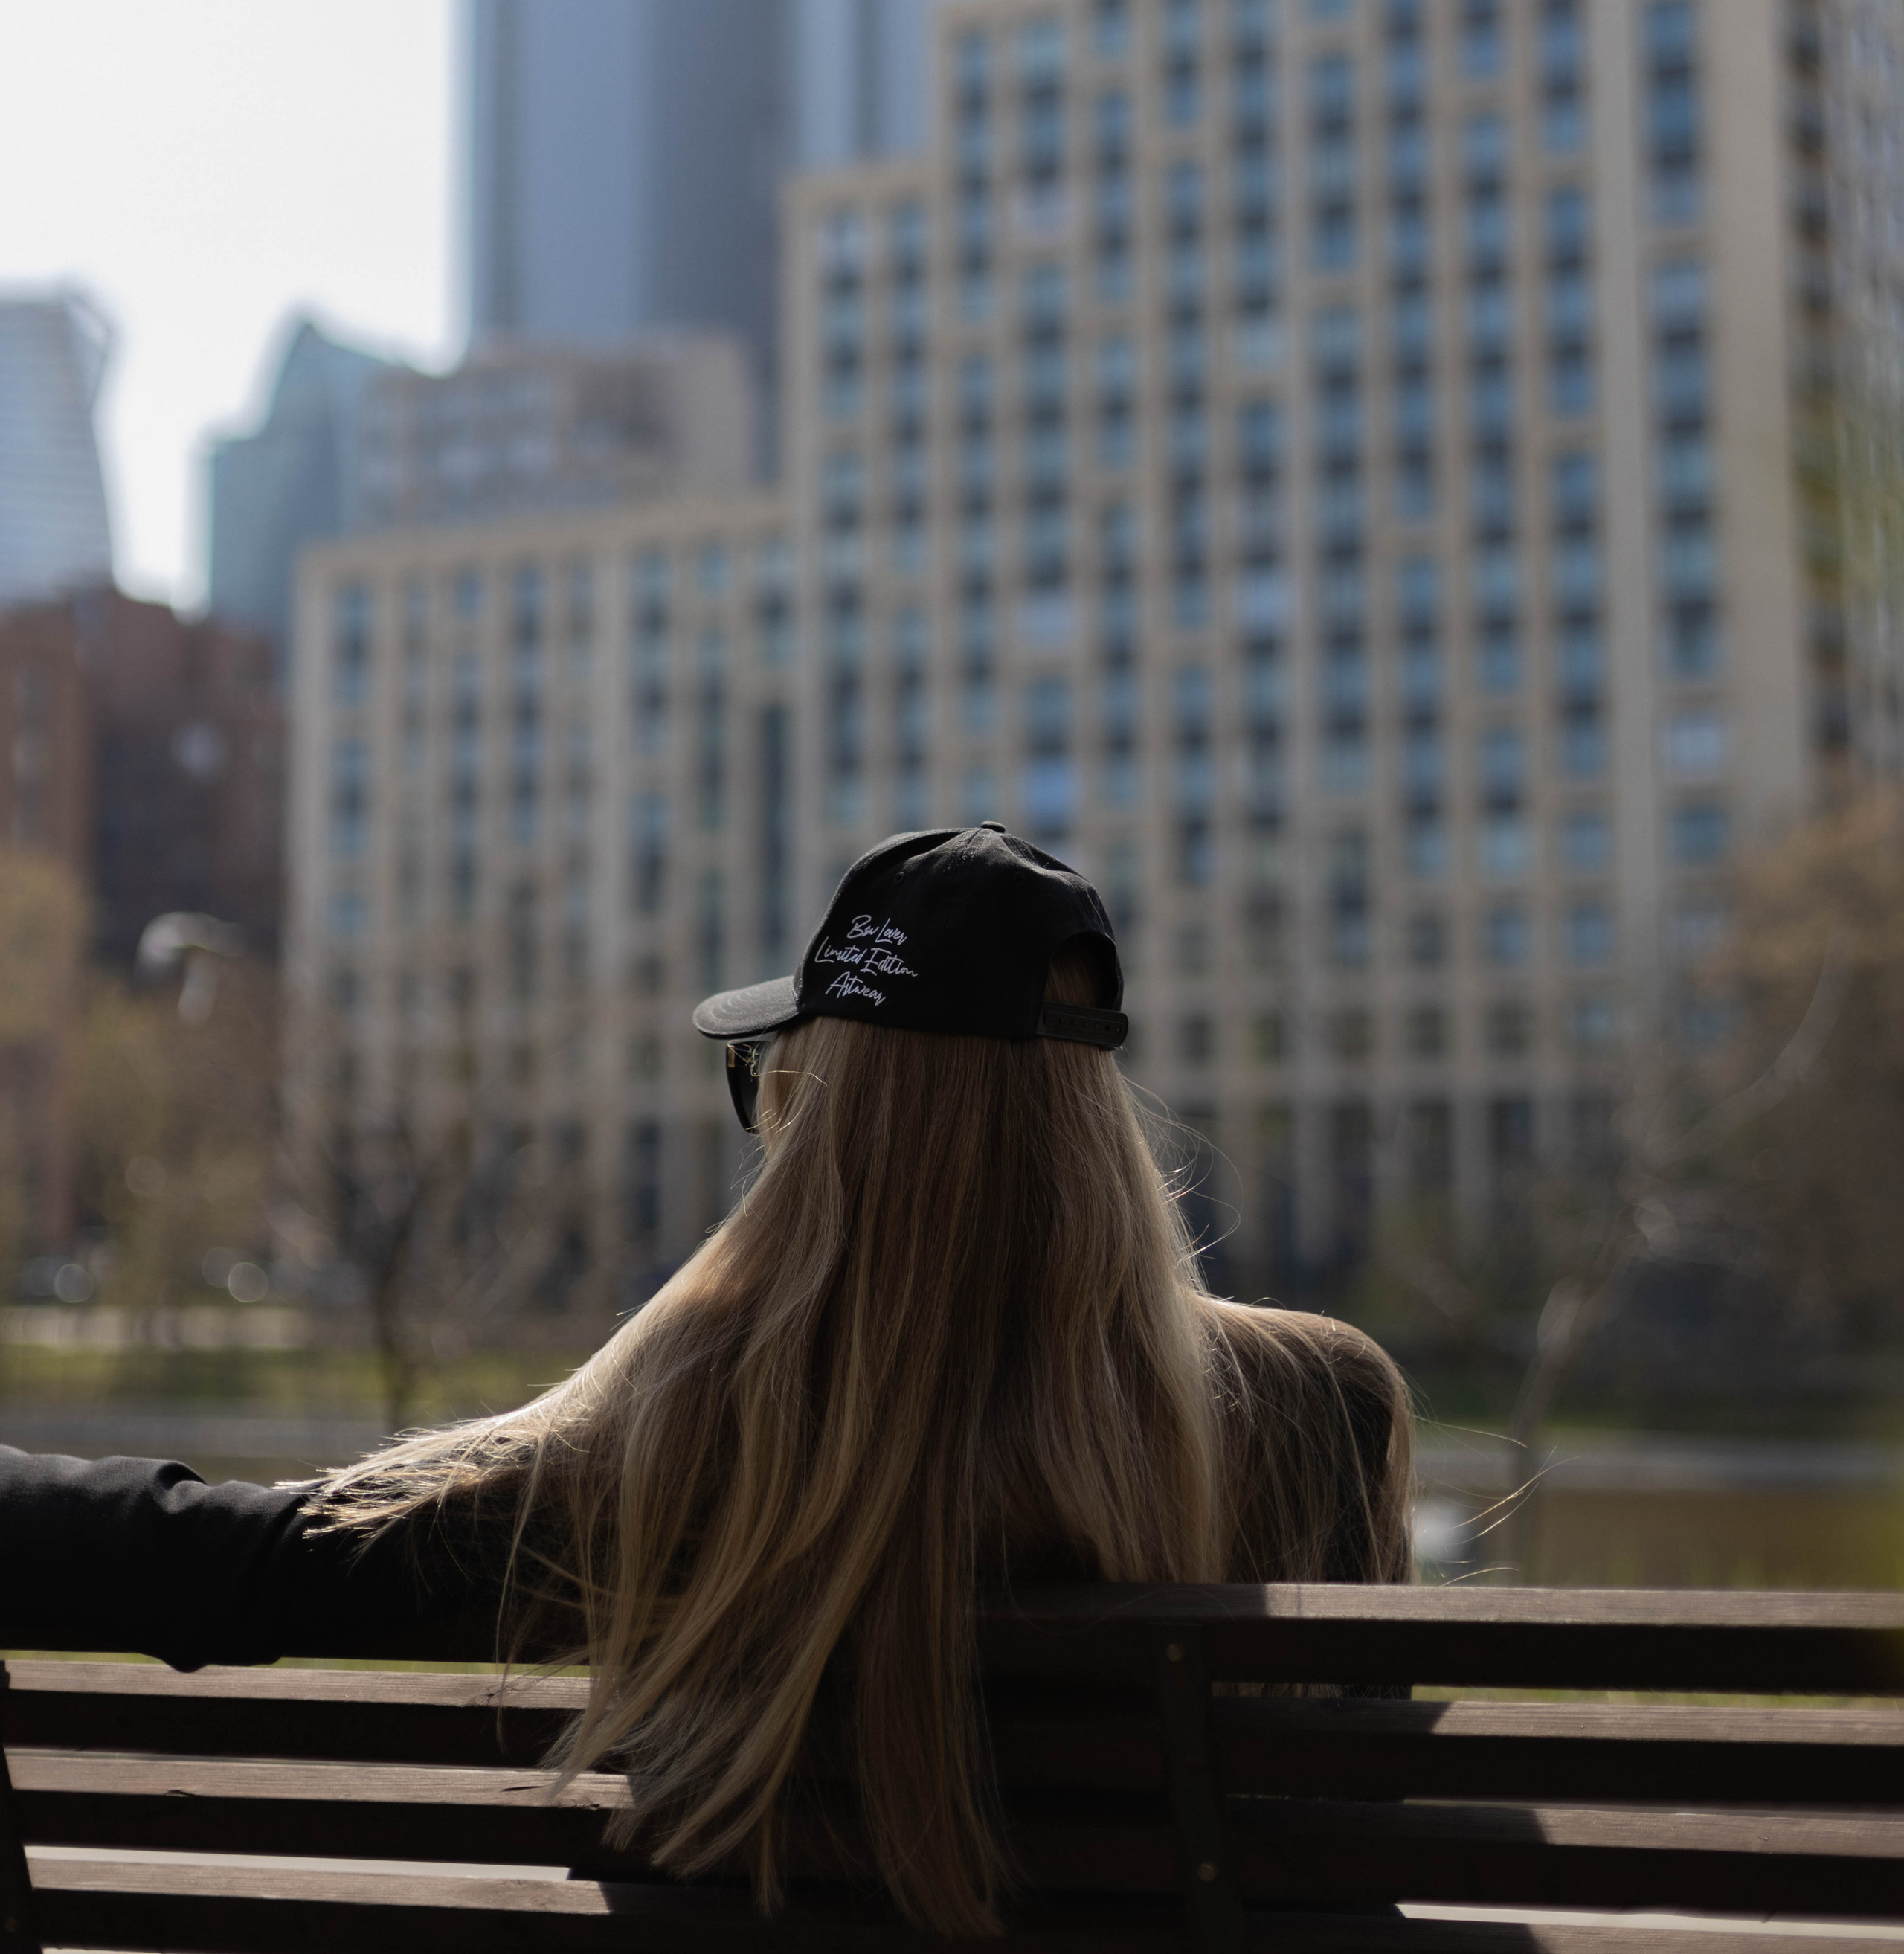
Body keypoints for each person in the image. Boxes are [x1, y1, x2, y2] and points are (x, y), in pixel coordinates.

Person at [0, 823, 1411, 1936]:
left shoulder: (679, 1426)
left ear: (810, 1113)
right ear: (1093, 1120)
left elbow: (246, 1570)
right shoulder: (1321, 1407)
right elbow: (1352, 1838)